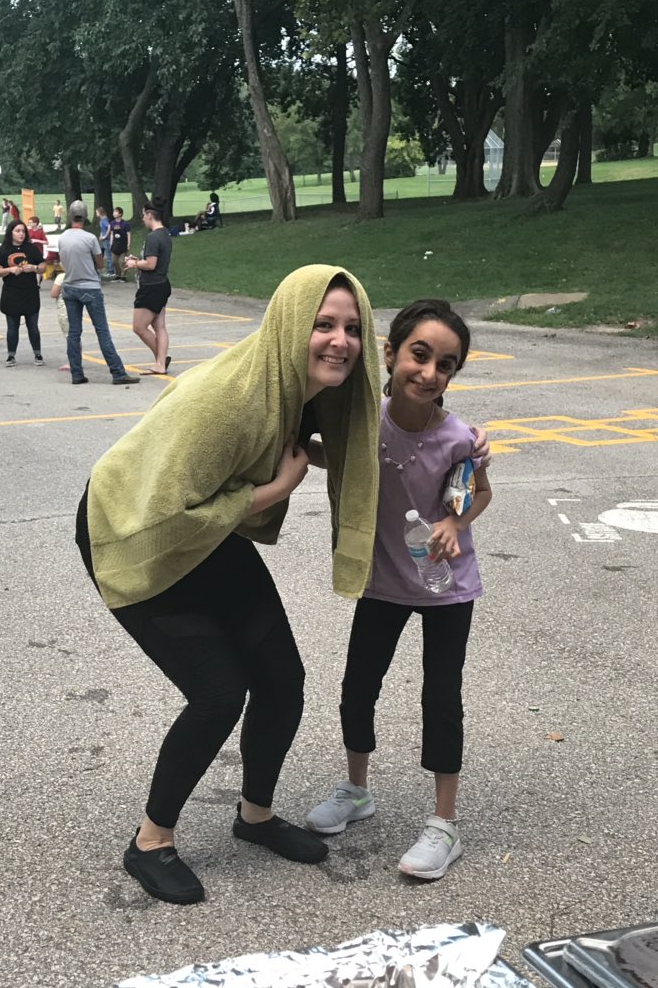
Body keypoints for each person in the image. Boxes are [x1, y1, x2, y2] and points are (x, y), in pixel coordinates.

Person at [74, 264, 383, 906]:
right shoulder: (231, 399)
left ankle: (256, 816)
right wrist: (279, 488)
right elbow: (167, 511)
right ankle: (150, 843)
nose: (341, 341)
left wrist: (454, 443)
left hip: (209, 526)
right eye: (323, 325)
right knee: (218, 692)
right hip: (135, 529)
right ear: (289, 326)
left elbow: (361, 435)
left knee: (282, 680)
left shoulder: (295, 384)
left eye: (353, 328)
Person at [306, 299, 493, 882]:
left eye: (446, 364)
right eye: (420, 354)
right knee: (358, 687)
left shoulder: (460, 437)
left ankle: (444, 824)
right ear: (389, 353)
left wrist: (455, 524)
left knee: (441, 698)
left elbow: (480, 492)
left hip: (446, 588)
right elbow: (329, 453)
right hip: (382, 582)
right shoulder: (362, 418)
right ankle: (357, 790)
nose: (430, 372)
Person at [57, 199, 139, 386]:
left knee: (74, 333)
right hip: (90, 287)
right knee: (102, 331)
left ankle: (76, 373)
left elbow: (63, 260)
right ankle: (117, 372)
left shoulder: (63, 238)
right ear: (85, 217)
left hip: (70, 286)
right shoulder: (89, 239)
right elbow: (100, 264)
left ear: (70, 216)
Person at [0, 220, 47, 367]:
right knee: (12, 326)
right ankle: (11, 355)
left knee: (33, 326)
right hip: (12, 292)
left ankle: (37, 352)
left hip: (30, 291)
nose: (21, 234)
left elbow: (43, 266)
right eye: (17, 231)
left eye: (23, 231)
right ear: (11, 232)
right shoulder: (4, 249)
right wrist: (9, 270)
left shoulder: (31, 248)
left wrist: (34, 267)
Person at [124, 205, 171, 374]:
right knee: (160, 326)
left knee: (139, 327)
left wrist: (133, 264)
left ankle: (161, 360)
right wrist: (139, 260)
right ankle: (161, 362)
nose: (143, 219)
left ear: (150, 215)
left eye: (144, 215)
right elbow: (153, 261)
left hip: (150, 286)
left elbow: (151, 264)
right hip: (162, 283)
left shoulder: (153, 237)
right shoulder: (166, 234)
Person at [109, 206, 130, 280]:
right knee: (114, 261)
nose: (114, 213)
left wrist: (128, 244)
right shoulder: (112, 223)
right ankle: (117, 275)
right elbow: (111, 234)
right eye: (113, 212)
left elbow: (128, 234)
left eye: (116, 212)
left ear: (120, 214)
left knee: (122, 261)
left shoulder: (125, 224)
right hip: (115, 245)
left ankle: (123, 276)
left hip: (123, 244)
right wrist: (111, 243)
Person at [95, 206, 114, 276]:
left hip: (107, 240)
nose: (96, 213)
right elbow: (103, 229)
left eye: (96, 212)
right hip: (104, 240)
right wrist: (101, 235)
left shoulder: (104, 220)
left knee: (108, 255)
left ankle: (111, 271)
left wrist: (105, 236)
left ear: (100, 213)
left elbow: (109, 226)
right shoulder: (102, 220)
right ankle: (109, 269)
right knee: (105, 254)